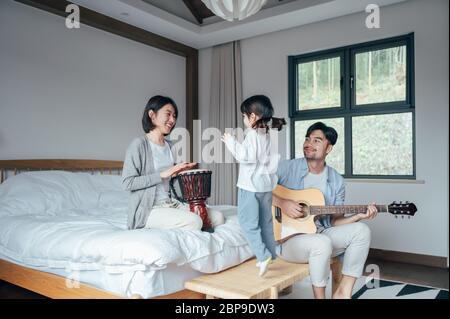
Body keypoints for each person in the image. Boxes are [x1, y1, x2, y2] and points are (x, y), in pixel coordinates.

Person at [273, 122, 377, 298]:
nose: (308, 144)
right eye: (307, 139)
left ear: (328, 148)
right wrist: (282, 202)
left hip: (321, 233)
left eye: (316, 140)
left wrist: (358, 216)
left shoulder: (336, 180)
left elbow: (335, 222)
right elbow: (255, 190)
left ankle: (343, 292)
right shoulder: (286, 167)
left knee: (362, 231)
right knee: (321, 242)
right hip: (286, 240)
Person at [122, 95, 225, 231]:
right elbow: (127, 183)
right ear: (152, 115)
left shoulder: (170, 146)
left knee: (218, 217)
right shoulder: (139, 145)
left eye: (174, 116)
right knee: (195, 222)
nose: (172, 120)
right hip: (150, 210)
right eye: (168, 114)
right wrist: (163, 174)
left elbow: (173, 182)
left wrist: (182, 172)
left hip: (171, 204)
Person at [222, 95, 286, 276]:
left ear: (252, 117)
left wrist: (230, 142)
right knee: (265, 222)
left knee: (247, 222)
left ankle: (262, 255)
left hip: (250, 186)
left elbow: (245, 157)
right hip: (265, 186)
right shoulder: (268, 134)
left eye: (244, 116)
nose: (243, 120)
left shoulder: (252, 134)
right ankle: (271, 254)